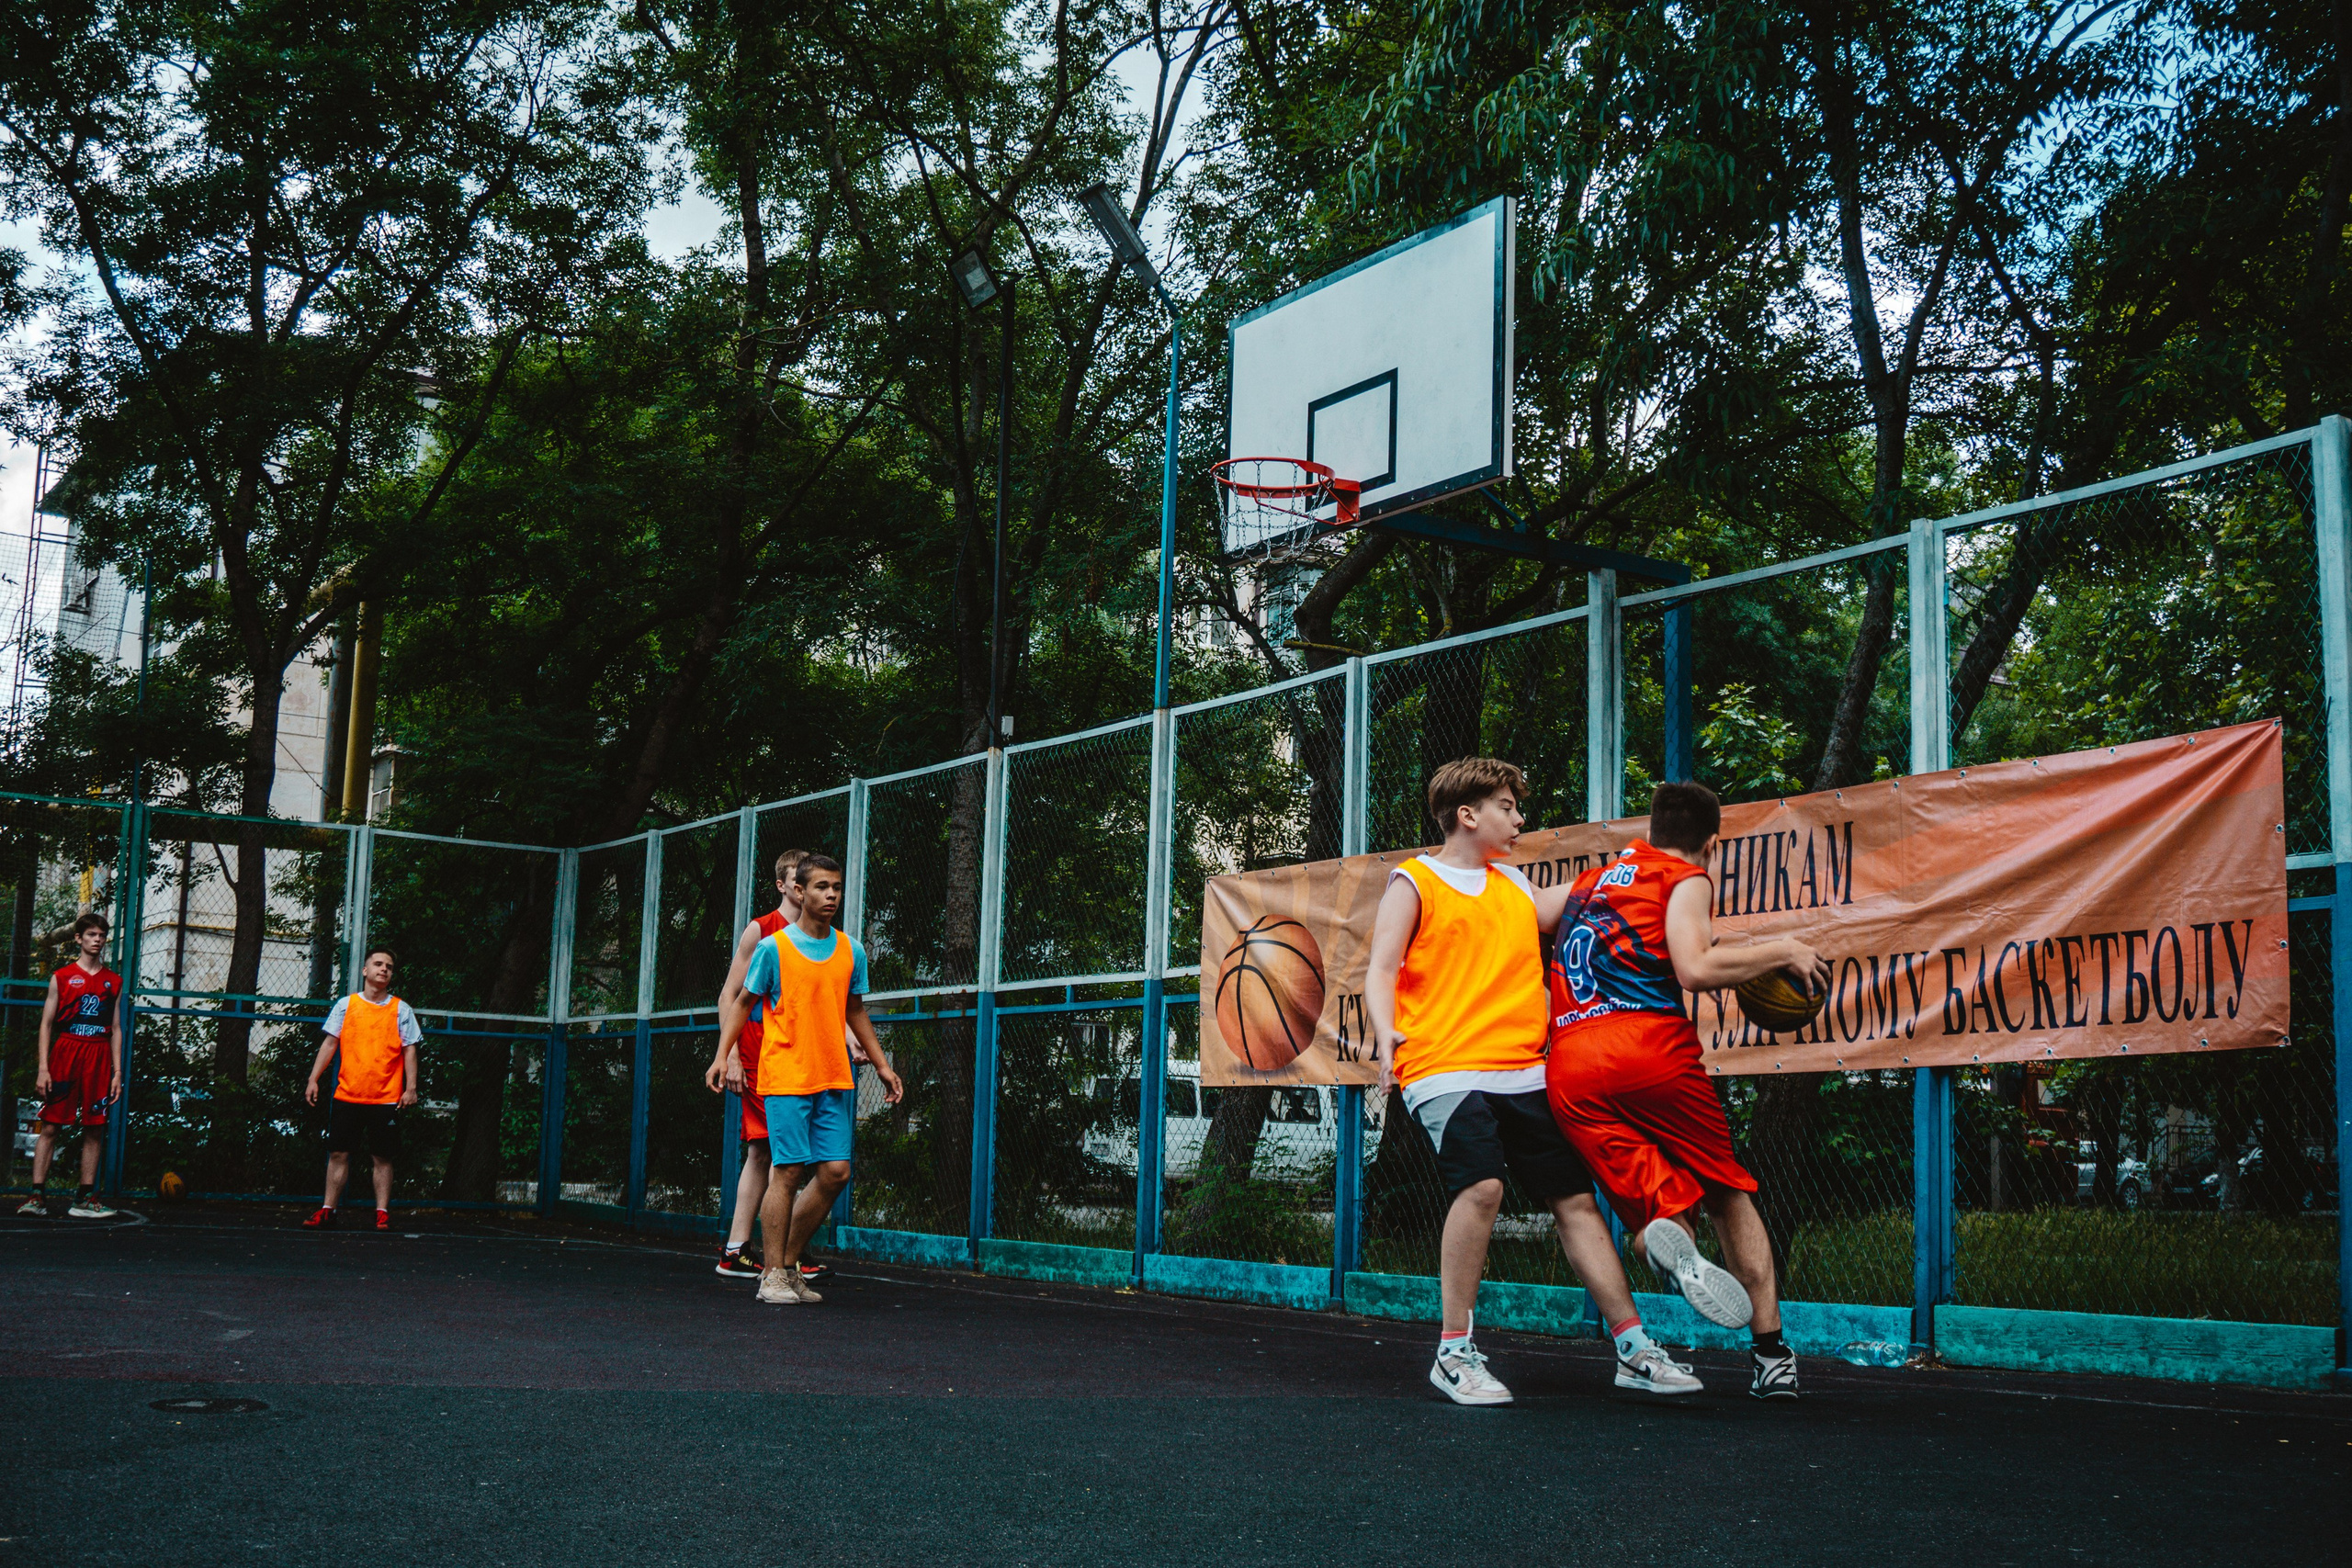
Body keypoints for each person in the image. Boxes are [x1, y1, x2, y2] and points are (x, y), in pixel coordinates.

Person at [1364, 758, 1702, 1405]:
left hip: (1523, 1067)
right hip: (1442, 1064)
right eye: (1508, 807)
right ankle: (1453, 1350)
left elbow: (1586, 897)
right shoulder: (1416, 880)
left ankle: (1633, 1347)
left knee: (1574, 1201)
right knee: (1484, 1185)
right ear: (1468, 815)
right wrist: (1385, 1031)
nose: (1520, 819)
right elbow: (1381, 968)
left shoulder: (1515, 886)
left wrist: (1653, 866)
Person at [1545, 780, 1830, 1401]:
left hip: (1568, 1063)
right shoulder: (1686, 875)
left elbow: (1519, 916)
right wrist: (1782, 947)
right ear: (1712, 842)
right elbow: (1694, 966)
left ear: (1648, 830)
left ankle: (1668, 1246)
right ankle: (1771, 1352)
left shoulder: (1589, 882)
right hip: (1648, 1049)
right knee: (1726, 1186)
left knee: (1657, 1206)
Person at [717, 853, 903, 1305]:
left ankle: (787, 1264)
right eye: (822, 887)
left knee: (836, 1173)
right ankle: (774, 1277)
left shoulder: (850, 950)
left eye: (836, 887)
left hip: (834, 1077)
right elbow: (741, 1001)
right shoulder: (773, 947)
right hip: (785, 1077)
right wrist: (724, 1056)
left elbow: (854, 1009)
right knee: (787, 1171)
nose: (831, 895)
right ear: (798, 891)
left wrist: (881, 1064)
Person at [705, 847, 809, 1280]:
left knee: (769, 1151)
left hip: (797, 1054)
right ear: (783, 885)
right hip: (759, 1052)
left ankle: (750, 1250)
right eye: (796, 880)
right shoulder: (762, 931)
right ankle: (772, 1254)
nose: (805, 888)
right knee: (776, 1150)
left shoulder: (818, 936)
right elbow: (729, 995)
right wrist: (729, 1056)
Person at [300, 947, 422, 1232]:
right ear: (365, 971)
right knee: (339, 1153)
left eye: (389, 966)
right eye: (378, 964)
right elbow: (330, 1043)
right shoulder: (346, 1005)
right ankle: (328, 1210)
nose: (384, 969)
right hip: (349, 1095)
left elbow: (410, 1049)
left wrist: (411, 1087)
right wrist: (313, 1079)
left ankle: (382, 1213)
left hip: (386, 1097)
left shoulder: (400, 1009)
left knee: (382, 1157)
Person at [17, 913, 125, 1219]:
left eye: (102, 935)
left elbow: (116, 1028)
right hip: (66, 1051)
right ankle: (36, 1196)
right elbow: (46, 1024)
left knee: (95, 1128)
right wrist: (43, 1067)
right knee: (51, 1124)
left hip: (99, 1055)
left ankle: (84, 1198)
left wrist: (118, 1072)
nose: (97, 940)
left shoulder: (112, 981)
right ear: (78, 938)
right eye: (91, 934)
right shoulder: (61, 977)